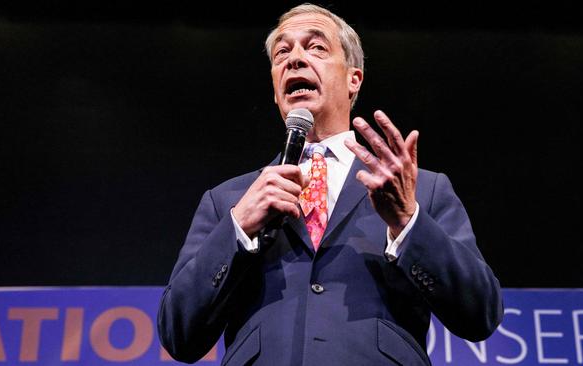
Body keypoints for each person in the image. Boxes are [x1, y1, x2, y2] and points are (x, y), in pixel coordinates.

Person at [158, 4, 503, 365]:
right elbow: (178, 335)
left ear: (354, 78)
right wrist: (239, 227)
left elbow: (480, 315)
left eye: (316, 47)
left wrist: (406, 221)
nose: (294, 59)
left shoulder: (420, 190)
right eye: (282, 53)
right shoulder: (227, 201)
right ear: (276, 90)